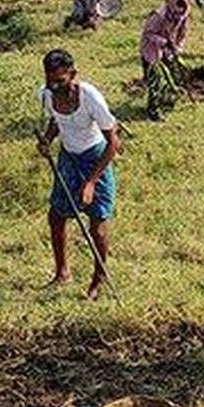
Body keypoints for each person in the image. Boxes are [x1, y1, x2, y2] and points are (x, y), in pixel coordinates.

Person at [36, 50, 120, 300]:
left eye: (60, 81)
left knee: (97, 223)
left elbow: (112, 143)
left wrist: (91, 182)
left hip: (96, 156)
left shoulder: (91, 98)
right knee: (57, 215)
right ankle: (62, 273)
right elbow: (55, 121)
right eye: (50, 81)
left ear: (73, 75)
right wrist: (47, 141)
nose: (55, 87)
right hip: (68, 156)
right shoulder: (46, 95)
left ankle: (99, 277)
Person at [140, 0, 191, 121]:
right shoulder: (159, 16)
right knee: (155, 81)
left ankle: (166, 101)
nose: (178, 14)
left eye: (181, 11)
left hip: (169, 50)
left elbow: (182, 32)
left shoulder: (184, 13)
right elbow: (148, 34)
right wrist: (163, 42)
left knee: (171, 77)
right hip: (152, 50)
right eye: (176, 10)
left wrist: (177, 48)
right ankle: (153, 110)